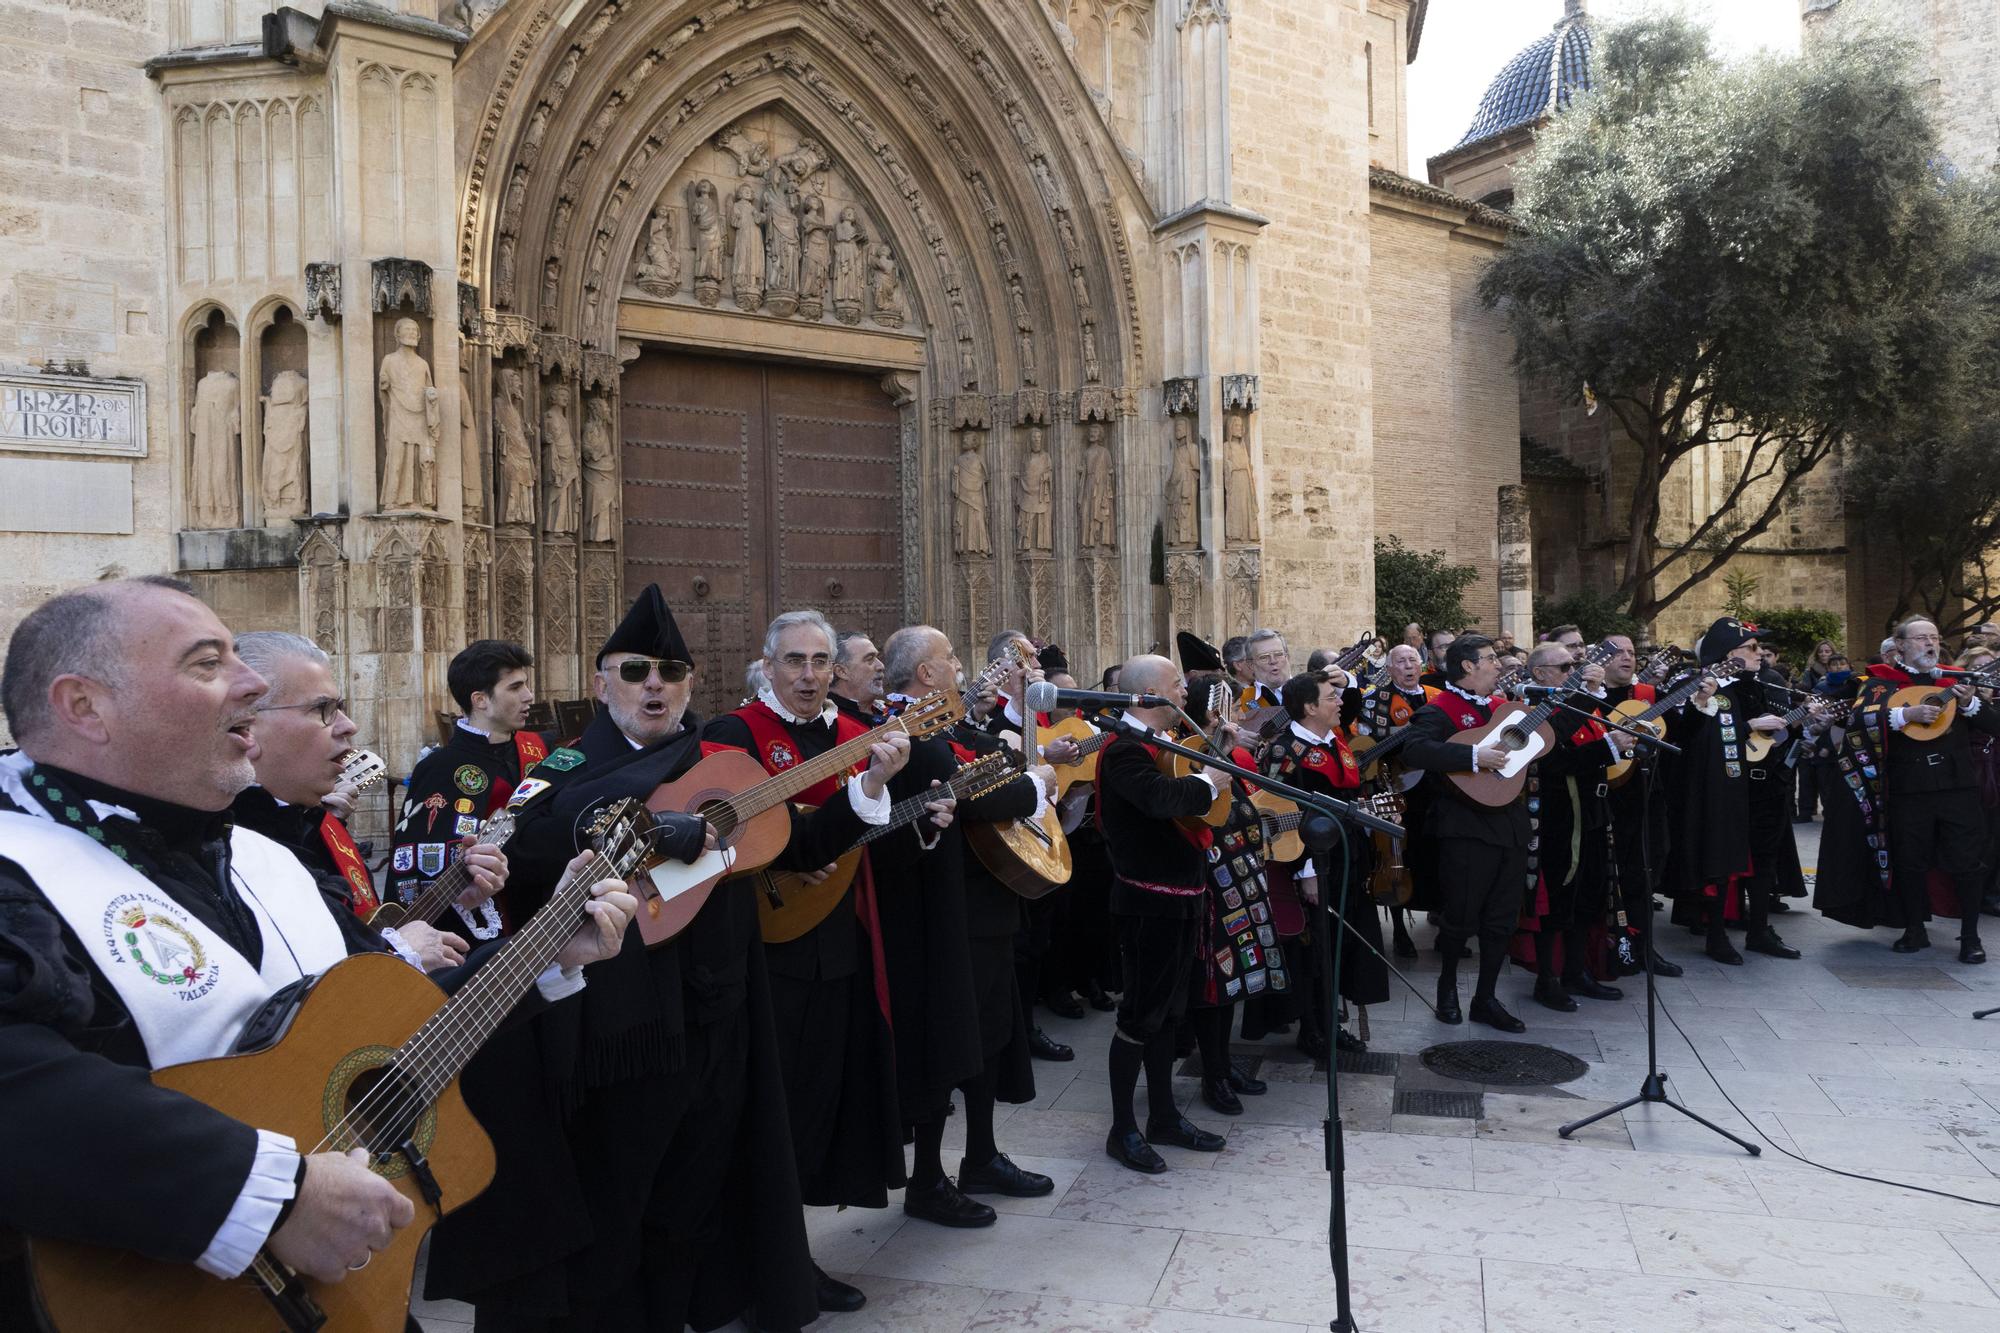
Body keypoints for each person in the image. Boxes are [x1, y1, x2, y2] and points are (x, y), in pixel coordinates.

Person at [0, 577, 633, 1330]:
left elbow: (391, 1023)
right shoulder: (19, 866)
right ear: (85, 707)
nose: (252, 682)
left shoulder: (266, 860)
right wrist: (271, 1193)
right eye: (207, 664)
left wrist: (546, 951)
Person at [477, 586, 819, 1332]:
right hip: (621, 1030)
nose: (653, 684)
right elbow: (520, 841)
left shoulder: (721, 762)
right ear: (604, 684)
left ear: (692, 684)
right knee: (620, 1196)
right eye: (635, 671)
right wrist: (645, 828)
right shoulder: (566, 762)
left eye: (669, 670)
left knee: (696, 1192)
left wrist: (874, 791)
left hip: (717, 1006)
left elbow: (790, 839)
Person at [702, 610, 913, 1305]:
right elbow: (723, 825)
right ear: (766, 666)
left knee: (815, 1103)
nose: (809, 675)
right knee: (765, 1106)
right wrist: (800, 842)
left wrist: (889, 795)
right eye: (794, 660)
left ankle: (789, 1257)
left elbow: (852, 838)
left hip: (835, 939)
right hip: (762, 946)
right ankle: (755, 1269)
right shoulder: (734, 733)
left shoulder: (856, 737)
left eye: (822, 662)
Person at [876, 626, 1055, 1224]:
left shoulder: (939, 722)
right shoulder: (910, 731)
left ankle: (981, 1154)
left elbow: (987, 757)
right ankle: (928, 1179)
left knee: (989, 1033)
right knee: (951, 1041)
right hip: (944, 914)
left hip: (982, 903)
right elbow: (969, 788)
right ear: (925, 675)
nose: (958, 666)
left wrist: (1010, 764)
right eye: (949, 659)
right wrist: (1028, 785)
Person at [230, 631, 496, 971]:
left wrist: (454, 897)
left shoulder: (308, 819)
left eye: (339, 707)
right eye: (323, 709)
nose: (349, 726)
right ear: (246, 724)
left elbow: (366, 926)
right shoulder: (226, 845)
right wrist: (398, 955)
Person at [1094, 654, 1230, 1173]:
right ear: (1151, 693)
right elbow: (1159, 799)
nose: (1185, 693)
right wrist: (1209, 783)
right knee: (1139, 1017)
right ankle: (1122, 1128)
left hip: (1182, 896)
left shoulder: (1163, 743)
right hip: (1147, 903)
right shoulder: (1123, 750)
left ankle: (1165, 1116)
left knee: (1171, 1014)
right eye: (1178, 684)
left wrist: (1215, 758)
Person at [1816, 618, 1996, 964]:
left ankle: (1971, 937)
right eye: (1921, 638)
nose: (1930, 644)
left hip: (1957, 787)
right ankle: (1915, 928)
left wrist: (1972, 703)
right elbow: (1851, 720)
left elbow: (1994, 725)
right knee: (1909, 861)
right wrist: (1904, 715)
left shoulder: (1955, 680)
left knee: (1968, 862)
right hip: (1906, 788)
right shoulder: (1877, 681)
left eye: (1934, 637)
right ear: (1900, 645)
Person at [1397, 634, 1530, 1031]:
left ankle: (1486, 997)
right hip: (1464, 826)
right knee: (1460, 914)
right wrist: (1473, 755)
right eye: (1490, 658)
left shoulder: (1501, 708)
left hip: (1510, 823)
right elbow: (1414, 751)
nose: (1498, 664)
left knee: (1502, 917)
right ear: (1468, 666)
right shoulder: (1439, 708)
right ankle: (1447, 987)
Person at [1261, 670, 1387, 1054]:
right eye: (1331, 697)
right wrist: (1308, 871)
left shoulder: (1336, 739)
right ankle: (1313, 1027)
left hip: (1347, 852)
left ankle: (1333, 1020)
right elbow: (1276, 811)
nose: (1339, 702)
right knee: (1316, 949)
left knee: (1344, 943)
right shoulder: (1285, 750)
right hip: (1310, 861)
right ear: (1309, 707)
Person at [390, 639, 545, 937]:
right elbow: (418, 868)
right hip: (487, 925)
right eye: (515, 687)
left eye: (525, 684)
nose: (529, 696)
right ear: (480, 700)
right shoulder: (439, 769)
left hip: (542, 904)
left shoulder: (537, 748)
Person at [1671, 618, 1804, 965]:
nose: (1760, 654)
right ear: (1728, 654)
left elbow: (1776, 729)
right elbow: (1688, 736)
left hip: (1764, 787)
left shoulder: (1756, 685)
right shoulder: (1699, 686)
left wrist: (1806, 723)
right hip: (1722, 792)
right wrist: (1748, 725)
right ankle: (1716, 935)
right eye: (1752, 647)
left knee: (1764, 861)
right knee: (1721, 861)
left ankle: (1759, 929)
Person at [1180, 675, 1275, 1113]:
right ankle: (1212, 1072)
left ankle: (1224, 1061)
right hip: (1208, 880)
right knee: (1211, 985)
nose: (1238, 716)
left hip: (1239, 872)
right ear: (1214, 714)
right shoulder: (1188, 753)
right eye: (1230, 708)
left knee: (1234, 977)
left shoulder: (1228, 752)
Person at [1517, 643, 1630, 1010]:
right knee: (1559, 899)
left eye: (1575, 664)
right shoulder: (1535, 710)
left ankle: (1577, 970)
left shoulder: (1578, 704)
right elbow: (1553, 757)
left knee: (1589, 895)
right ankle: (1548, 978)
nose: (1573, 671)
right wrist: (1609, 748)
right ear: (1540, 675)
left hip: (1594, 809)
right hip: (1560, 817)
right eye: (1565, 666)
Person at [1598, 634, 1682, 978]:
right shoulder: (1591, 697)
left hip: (1648, 796)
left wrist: (1700, 701)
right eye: (1618, 652)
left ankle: (1645, 945)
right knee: (1614, 875)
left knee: (1648, 869)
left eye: (1631, 652)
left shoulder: (1648, 697)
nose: (1626, 657)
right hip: (1608, 799)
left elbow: (1678, 732)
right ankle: (1613, 944)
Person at [1351, 642, 1436, 959]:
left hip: (1436, 786)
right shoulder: (1376, 700)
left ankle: (1441, 918)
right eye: (1400, 661)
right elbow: (1367, 743)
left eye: (1413, 659)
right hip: (1396, 787)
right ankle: (1400, 930)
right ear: (1389, 669)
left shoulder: (1436, 698)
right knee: (1399, 853)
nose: (1408, 665)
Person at [830, 629, 886, 725]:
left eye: (877, 657)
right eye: (870, 659)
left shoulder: (889, 711)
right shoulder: (828, 722)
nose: (881, 666)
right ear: (842, 671)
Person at [1238, 628, 1290, 710]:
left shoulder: (1310, 691)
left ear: (1287, 657)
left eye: (1278, 654)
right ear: (1251, 665)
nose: (1273, 661)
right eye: (1264, 657)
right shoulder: (1241, 702)